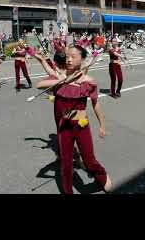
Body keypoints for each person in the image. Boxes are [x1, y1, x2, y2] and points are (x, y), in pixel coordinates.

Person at [34, 45, 112, 194]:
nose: (69, 59)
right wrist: (62, 81)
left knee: (89, 160)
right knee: (66, 163)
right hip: (64, 126)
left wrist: (102, 125)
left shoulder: (89, 81)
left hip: (82, 125)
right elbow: (40, 85)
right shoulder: (59, 77)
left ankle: (101, 175)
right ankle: (67, 190)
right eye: (67, 56)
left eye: (73, 57)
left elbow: (96, 105)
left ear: (82, 59)